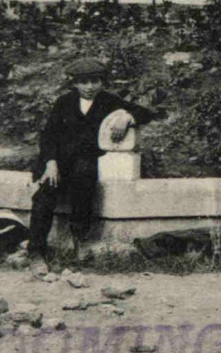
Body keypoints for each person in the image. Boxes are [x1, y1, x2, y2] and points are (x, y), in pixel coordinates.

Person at [27, 56, 160, 264]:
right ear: (75, 83)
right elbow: (49, 135)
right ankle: (36, 252)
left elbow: (145, 112)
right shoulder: (65, 102)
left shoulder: (108, 101)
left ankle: (80, 240)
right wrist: (50, 163)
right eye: (83, 82)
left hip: (85, 164)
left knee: (84, 180)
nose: (89, 87)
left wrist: (126, 117)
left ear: (101, 82)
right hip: (59, 163)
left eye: (95, 81)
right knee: (44, 196)